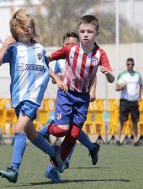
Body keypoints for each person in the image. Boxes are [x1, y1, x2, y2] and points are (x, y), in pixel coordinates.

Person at [0, 9, 65, 184]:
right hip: (18, 97)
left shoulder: (39, 48)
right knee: (32, 135)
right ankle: (53, 153)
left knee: (18, 130)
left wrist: (55, 78)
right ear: (14, 29)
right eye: (23, 26)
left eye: (30, 26)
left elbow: (45, 65)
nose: (27, 30)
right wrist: (5, 45)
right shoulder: (13, 49)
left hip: (32, 97)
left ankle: (14, 168)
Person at [41, 15, 115, 182]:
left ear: (97, 34)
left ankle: (52, 170)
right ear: (79, 33)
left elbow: (111, 78)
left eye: (90, 31)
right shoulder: (70, 49)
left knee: (73, 135)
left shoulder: (100, 54)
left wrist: (109, 74)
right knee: (61, 130)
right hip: (67, 94)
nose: (86, 34)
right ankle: (48, 127)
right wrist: (57, 79)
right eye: (82, 31)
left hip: (83, 99)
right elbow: (45, 60)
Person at [41, 31, 99, 175]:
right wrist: (57, 78)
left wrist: (93, 91)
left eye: (73, 43)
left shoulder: (83, 57)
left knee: (74, 132)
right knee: (64, 130)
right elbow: (54, 79)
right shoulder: (59, 61)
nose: (70, 46)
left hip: (81, 99)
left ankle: (60, 162)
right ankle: (91, 148)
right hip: (65, 97)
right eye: (67, 44)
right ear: (63, 46)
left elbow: (92, 75)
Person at [115, 57, 142, 146]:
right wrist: (120, 87)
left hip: (134, 101)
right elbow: (116, 88)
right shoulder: (122, 75)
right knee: (121, 120)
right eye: (128, 64)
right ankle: (118, 139)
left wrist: (140, 96)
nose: (130, 65)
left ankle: (136, 140)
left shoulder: (138, 75)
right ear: (126, 65)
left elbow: (141, 86)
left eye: (132, 64)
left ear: (133, 65)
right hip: (124, 101)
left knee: (135, 121)